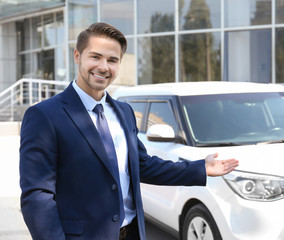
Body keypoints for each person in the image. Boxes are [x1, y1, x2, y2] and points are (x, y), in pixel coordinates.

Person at [19, 22, 239, 240]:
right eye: (95, 57)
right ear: (77, 56)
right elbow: (37, 197)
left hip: (132, 233)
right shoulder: (44, 116)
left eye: (112, 60)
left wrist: (200, 168)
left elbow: (142, 165)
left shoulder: (124, 112)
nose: (104, 67)